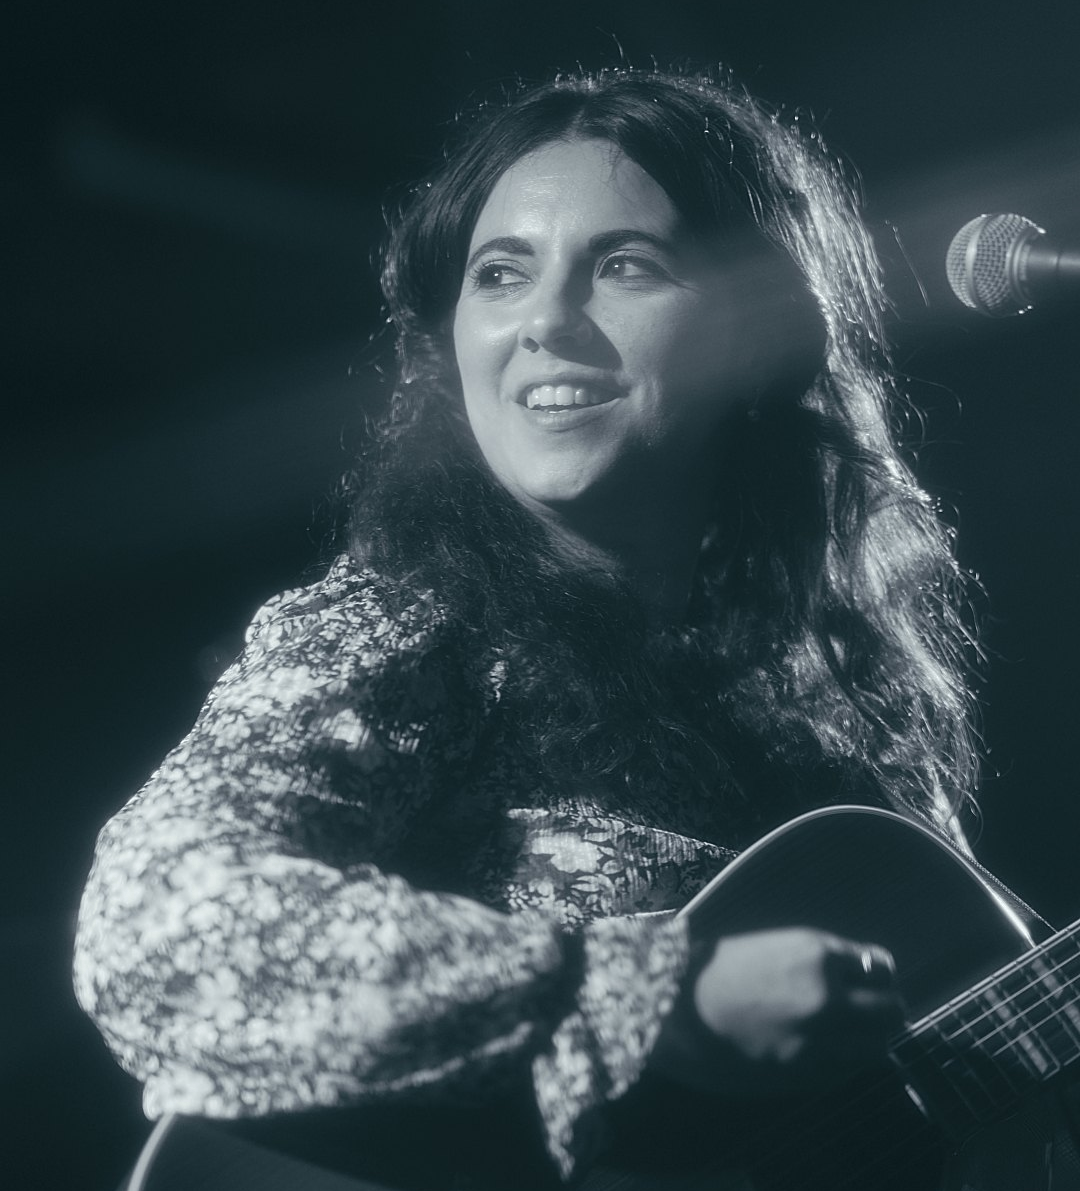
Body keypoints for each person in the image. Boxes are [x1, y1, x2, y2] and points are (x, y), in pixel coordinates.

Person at [73, 67, 981, 1189]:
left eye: (624, 266)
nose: (547, 322)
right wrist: (653, 998)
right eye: (500, 274)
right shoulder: (407, 627)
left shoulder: (847, 714)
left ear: (753, 331)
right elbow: (160, 929)